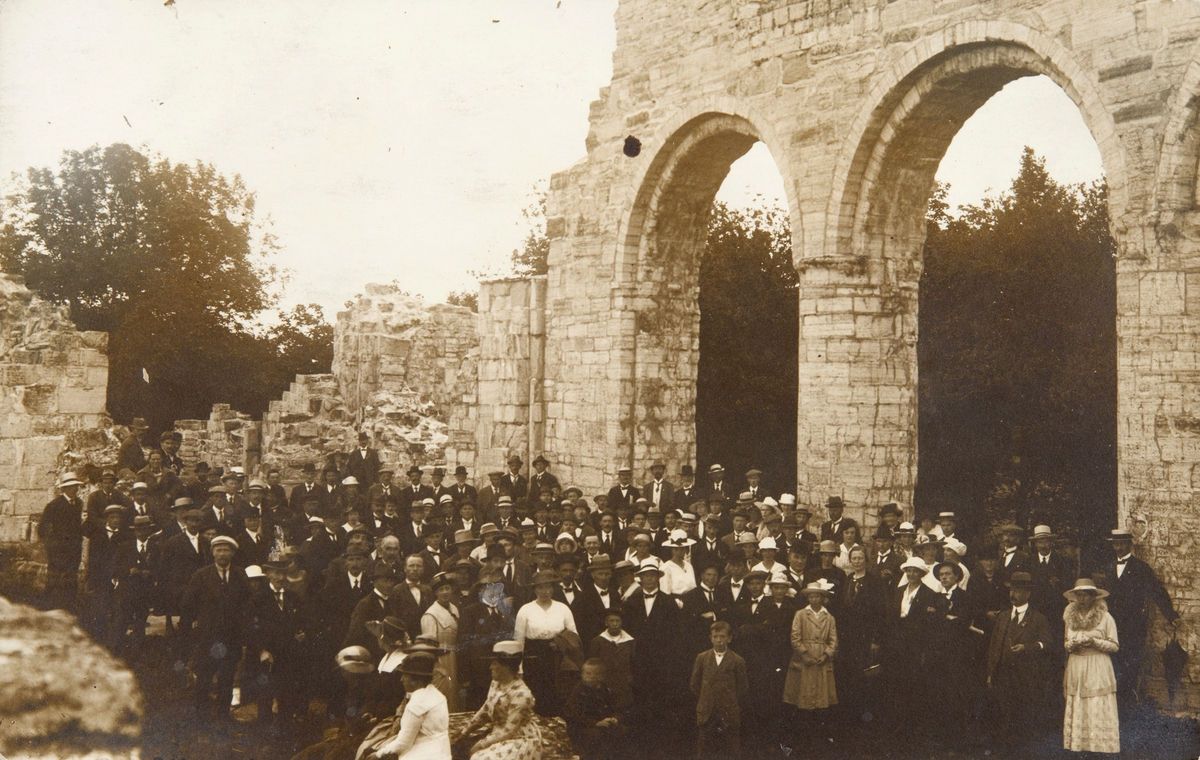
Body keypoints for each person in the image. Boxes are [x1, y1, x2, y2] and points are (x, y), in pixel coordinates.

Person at [1103, 527, 1180, 707]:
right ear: (1113, 545)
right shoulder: (1107, 568)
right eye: (1116, 544)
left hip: (1133, 625)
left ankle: (1128, 705)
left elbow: (1157, 591)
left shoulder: (1140, 568)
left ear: (1130, 544)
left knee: (1131, 663)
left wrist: (1171, 615)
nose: (1119, 547)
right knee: (1112, 662)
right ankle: (1113, 706)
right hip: (1112, 625)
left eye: (1122, 543)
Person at [180, 534, 250, 721]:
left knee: (227, 678)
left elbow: (247, 604)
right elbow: (188, 605)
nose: (222, 554)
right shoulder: (201, 575)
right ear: (212, 553)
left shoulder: (240, 575)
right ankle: (201, 718)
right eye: (218, 550)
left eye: (226, 550)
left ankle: (223, 716)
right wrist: (195, 628)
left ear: (232, 553)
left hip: (231, 638)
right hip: (207, 638)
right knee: (204, 678)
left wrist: (242, 631)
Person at [985, 571, 1052, 751]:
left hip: (1025, 676)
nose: (1013, 595)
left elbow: (1047, 644)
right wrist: (991, 673)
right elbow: (994, 646)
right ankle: (1002, 750)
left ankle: (1021, 751)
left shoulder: (1038, 618)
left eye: (1018, 591)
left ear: (1028, 594)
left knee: (1021, 714)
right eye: (1011, 590)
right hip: (1002, 674)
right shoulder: (1003, 616)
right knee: (1001, 713)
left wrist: (1027, 647)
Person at [455, 641, 542, 760]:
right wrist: (464, 732)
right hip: (498, 734)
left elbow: (508, 731)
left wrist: (481, 744)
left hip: (520, 739)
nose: (490, 667)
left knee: (479, 758)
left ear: (506, 667)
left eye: (495, 663)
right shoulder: (496, 683)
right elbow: (486, 710)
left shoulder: (521, 694)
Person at [1062, 578, 1120, 755]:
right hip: (1076, 665)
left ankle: (1099, 748)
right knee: (1078, 701)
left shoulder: (1105, 617)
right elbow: (1066, 641)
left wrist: (1094, 641)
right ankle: (1079, 747)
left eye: (1085, 595)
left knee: (1096, 704)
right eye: (1078, 595)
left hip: (1097, 665)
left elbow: (1114, 645)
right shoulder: (1070, 617)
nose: (1081, 599)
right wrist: (1072, 645)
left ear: (1093, 597)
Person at [359, 650, 452, 760]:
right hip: (443, 754)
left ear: (416, 679)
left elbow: (404, 743)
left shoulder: (417, 704)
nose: (401, 679)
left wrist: (379, 754)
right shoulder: (437, 695)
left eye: (405, 675)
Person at [514, 569, 578, 716]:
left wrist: (561, 643)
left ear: (553, 589)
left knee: (556, 697)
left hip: (557, 658)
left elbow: (574, 636)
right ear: (534, 589)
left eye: (548, 587)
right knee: (536, 697)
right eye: (540, 587)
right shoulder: (525, 610)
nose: (544, 591)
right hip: (534, 659)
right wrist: (520, 668)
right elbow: (519, 641)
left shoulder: (563, 608)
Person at [690, 620, 748, 760]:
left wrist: (727, 698)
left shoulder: (737, 660)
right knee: (704, 749)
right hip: (707, 710)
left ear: (729, 638)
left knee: (731, 749)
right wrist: (708, 696)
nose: (719, 640)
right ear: (710, 638)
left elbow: (742, 687)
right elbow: (694, 684)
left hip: (728, 710)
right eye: (715, 637)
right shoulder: (702, 658)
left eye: (722, 637)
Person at [783, 580, 838, 718]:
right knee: (804, 693)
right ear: (808, 598)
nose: (814, 599)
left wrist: (826, 655)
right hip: (804, 656)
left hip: (821, 656)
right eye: (811, 597)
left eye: (817, 596)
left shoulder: (829, 617)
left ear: (822, 598)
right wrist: (804, 654)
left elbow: (833, 640)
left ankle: (818, 722)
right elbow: (795, 637)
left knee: (820, 695)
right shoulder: (801, 614)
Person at [39, 471, 87, 609]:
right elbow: (42, 528)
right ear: (64, 489)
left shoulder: (78, 503)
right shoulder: (54, 505)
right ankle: (49, 610)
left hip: (74, 549)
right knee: (54, 580)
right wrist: (51, 546)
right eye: (71, 486)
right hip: (58, 551)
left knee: (71, 580)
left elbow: (77, 526)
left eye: (76, 486)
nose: (75, 489)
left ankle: (69, 610)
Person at [563, 659, 624, 760]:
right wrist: (596, 723)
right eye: (587, 673)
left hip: (604, 723)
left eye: (595, 674)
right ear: (582, 674)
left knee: (621, 731)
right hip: (584, 725)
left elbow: (615, 708)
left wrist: (614, 718)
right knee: (595, 736)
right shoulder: (579, 690)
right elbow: (573, 714)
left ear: (601, 676)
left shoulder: (605, 689)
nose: (591, 677)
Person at [421, 572, 461, 712]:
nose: (445, 592)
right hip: (441, 659)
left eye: (447, 588)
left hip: (455, 657)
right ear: (435, 593)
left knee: (455, 696)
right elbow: (429, 646)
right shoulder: (430, 615)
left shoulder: (454, 609)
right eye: (441, 590)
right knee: (443, 694)